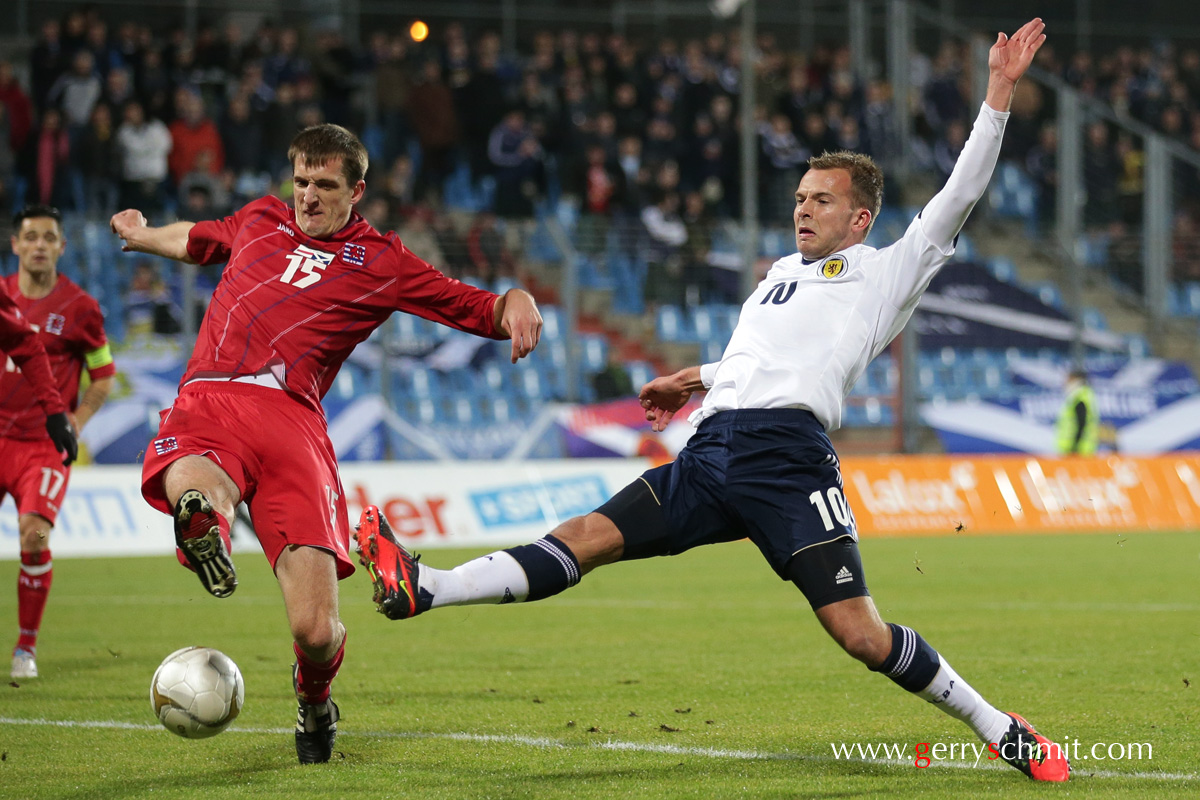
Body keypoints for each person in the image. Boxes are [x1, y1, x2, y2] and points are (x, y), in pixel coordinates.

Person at [355, 20, 1071, 783]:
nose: (803, 209)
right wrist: (693, 378)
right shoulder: (774, 274)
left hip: (787, 460)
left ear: (860, 219)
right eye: (800, 197)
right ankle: (425, 587)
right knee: (584, 537)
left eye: (822, 201)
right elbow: (760, 358)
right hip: (709, 450)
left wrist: (998, 91)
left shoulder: (889, 268)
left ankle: (999, 727)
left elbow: (961, 190)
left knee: (861, 636)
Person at [109, 123, 541, 764]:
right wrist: (143, 236)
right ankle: (206, 525)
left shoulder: (384, 262)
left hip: (294, 426)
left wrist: (518, 300)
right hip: (214, 396)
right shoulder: (259, 217)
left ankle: (316, 702)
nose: (307, 196)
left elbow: (471, 306)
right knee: (197, 477)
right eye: (301, 181)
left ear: (357, 190)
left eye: (325, 185)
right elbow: (197, 241)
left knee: (316, 631)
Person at [2, 205, 96, 679]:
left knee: (35, 533)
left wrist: (72, 421)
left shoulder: (81, 308)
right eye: (30, 236)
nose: (39, 244)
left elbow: (103, 375)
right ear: (15, 245)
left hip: (42, 443)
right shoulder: (2, 295)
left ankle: (25, 647)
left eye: (49, 237)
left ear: (61, 246)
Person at [1055, 367, 1098, 456]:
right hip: (1078, 450)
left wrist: (1075, 448)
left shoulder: (1080, 397)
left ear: (1077, 380)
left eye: (1069, 378)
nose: (1066, 382)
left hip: (1078, 451)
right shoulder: (1081, 396)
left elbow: (1081, 423)